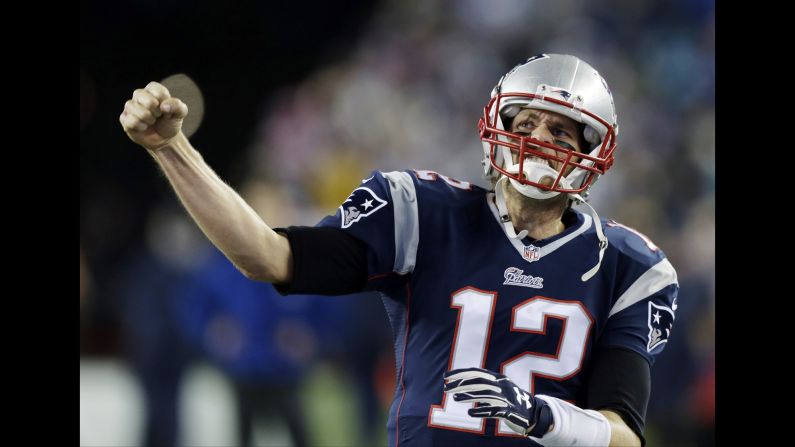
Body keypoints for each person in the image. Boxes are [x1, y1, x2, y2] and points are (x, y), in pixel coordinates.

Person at [120, 53, 678, 447]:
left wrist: (539, 416)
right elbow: (266, 256)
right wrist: (174, 150)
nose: (537, 140)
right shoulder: (421, 211)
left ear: (591, 155)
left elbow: (623, 434)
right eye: (526, 121)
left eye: (561, 133)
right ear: (495, 128)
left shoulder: (628, 266)